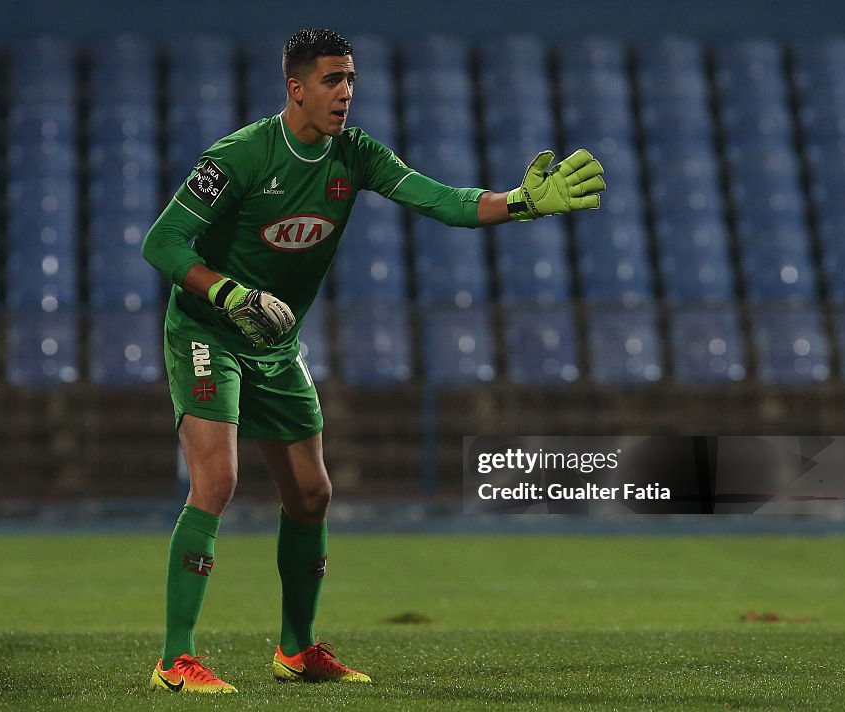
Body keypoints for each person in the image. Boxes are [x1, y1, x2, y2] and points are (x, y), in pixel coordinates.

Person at [141, 27, 605, 694]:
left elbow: (439, 201)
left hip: (274, 344)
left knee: (313, 495)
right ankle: (175, 661)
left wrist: (522, 202)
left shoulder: (354, 155)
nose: (346, 93)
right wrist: (227, 290)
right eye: (332, 80)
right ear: (295, 88)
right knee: (216, 483)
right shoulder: (240, 156)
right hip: (208, 331)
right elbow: (162, 243)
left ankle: (296, 650)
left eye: (351, 79)